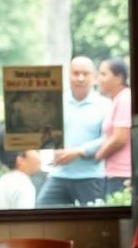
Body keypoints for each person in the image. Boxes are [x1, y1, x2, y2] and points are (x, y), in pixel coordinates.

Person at [36, 56, 108, 207]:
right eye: (75, 73)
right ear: (68, 75)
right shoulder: (55, 103)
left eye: (85, 73)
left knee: (95, 223)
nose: (80, 78)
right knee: (42, 211)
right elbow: (44, 135)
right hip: (59, 175)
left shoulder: (105, 105)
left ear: (94, 78)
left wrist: (79, 151)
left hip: (91, 176)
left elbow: (108, 138)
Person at [95, 57, 131, 199]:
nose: (99, 79)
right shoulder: (117, 99)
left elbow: (120, 138)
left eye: (104, 74)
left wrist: (98, 155)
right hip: (114, 173)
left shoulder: (125, 98)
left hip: (122, 174)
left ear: (119, 77)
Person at [0, 123, 41, 210]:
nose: (39, 153)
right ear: (21, 159)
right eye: (35, 149)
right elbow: (25, 222)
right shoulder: (24, 186)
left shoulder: (2, 181)